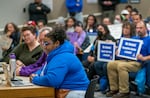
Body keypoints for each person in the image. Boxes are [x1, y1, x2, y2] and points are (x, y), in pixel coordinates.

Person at [30, 26, 89, 98]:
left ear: (57, 43)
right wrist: (36, 74)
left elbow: (52, 80)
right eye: (43, 43)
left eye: (46, 44)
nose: (44, 46)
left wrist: (35, 79)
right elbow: (44, 69)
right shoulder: (58, 54)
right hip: (73, 91)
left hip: (75, 93)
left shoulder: (62, 57)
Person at [106, 21, 150, 98]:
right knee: (111, 64)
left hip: (140, 63)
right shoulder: (134, 38)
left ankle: (124, 92)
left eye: (141, 28)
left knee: (122, 66)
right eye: (137, 28)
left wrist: (143, 58)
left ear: (146, 29)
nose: (138, 30)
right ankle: (114, 89)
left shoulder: (149, 39)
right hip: (129, 60)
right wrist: (117, 50)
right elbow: (126, 49)